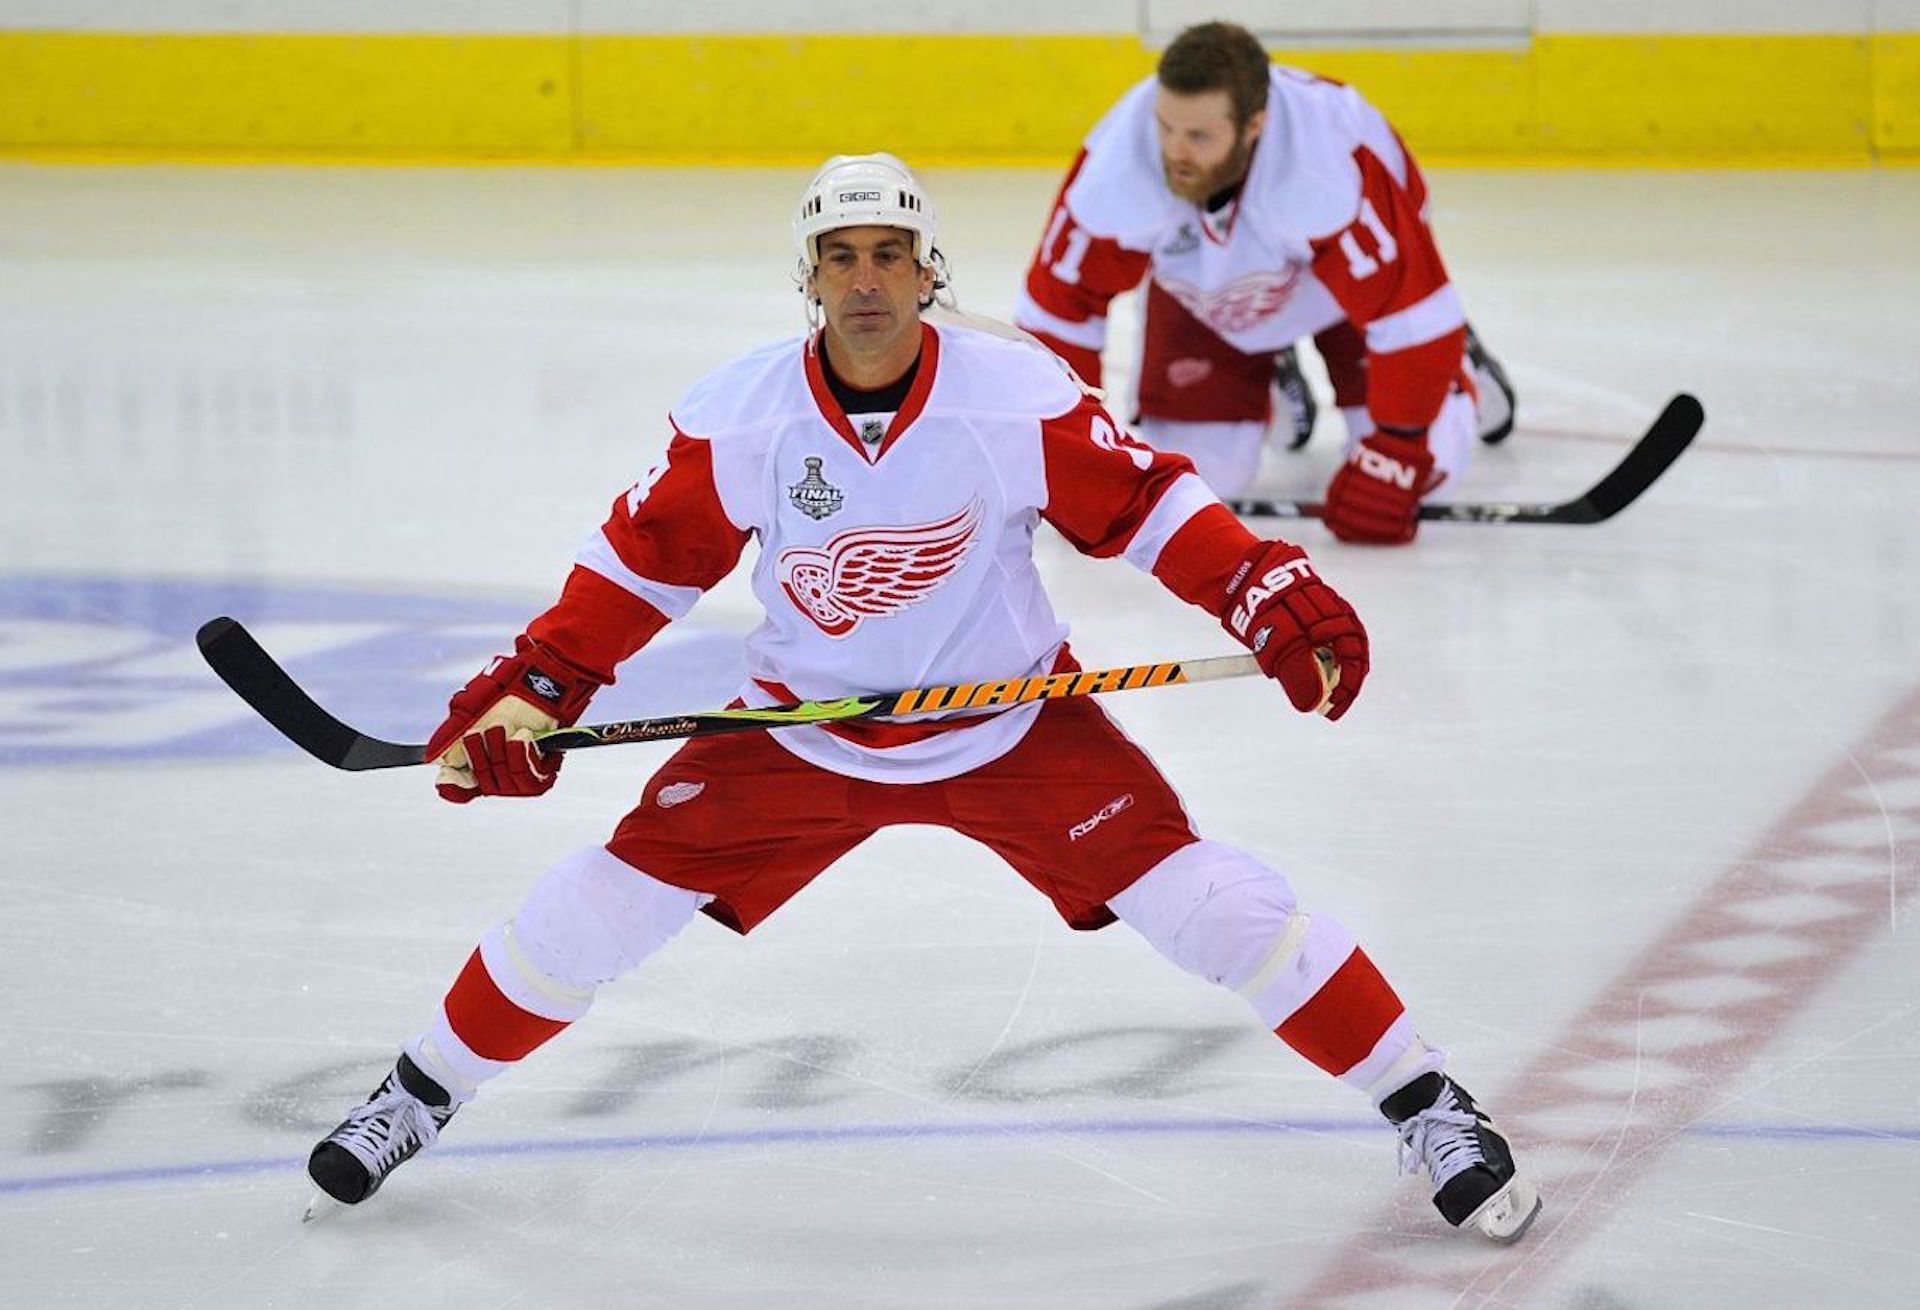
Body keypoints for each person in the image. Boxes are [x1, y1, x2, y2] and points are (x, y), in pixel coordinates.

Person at [305, 151, 1540, 1244]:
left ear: (927, 265)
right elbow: (641, 564)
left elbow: (1149, 502)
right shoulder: (743, 413)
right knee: (594, 907)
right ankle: (415, 1092)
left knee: (1219, 905)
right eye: (838, 256)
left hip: (1010, 724)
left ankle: (1431, 1103)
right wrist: (538, 683)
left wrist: (1262, 584)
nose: (865, 279)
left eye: (888, 253)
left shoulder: (1012, 393)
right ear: (807, 276)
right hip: (803, 732)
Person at [1014, 21, 1517, 543]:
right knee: (1200, 482)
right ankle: (1268, 366)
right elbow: (1057, 311)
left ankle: (1461, 366)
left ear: (1254, 126)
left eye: (1199, 136)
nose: (1174, 151)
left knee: (1430, 478)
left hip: (1345, 297)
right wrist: (1075, 454)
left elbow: (1409, 310)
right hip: (1203, 292)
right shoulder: (1115, 170)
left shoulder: (1326, 169)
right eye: (1165, 127)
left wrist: (1397, 449)